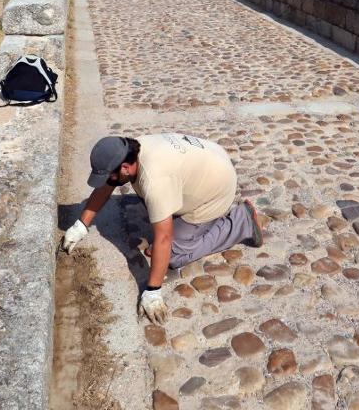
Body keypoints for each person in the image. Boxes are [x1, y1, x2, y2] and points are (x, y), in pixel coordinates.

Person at [62, 133, 263, 323]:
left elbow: (163, 239)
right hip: (211, 157)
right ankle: (177, 214)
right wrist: (81, 225)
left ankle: (240, 221)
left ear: (124, 167)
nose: (108, 182)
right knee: (154, 215)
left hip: (217, 189)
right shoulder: (131, 149)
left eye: (110, 176)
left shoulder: (154, 181)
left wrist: (153, 290)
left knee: (173, 255)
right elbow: (106, 187)